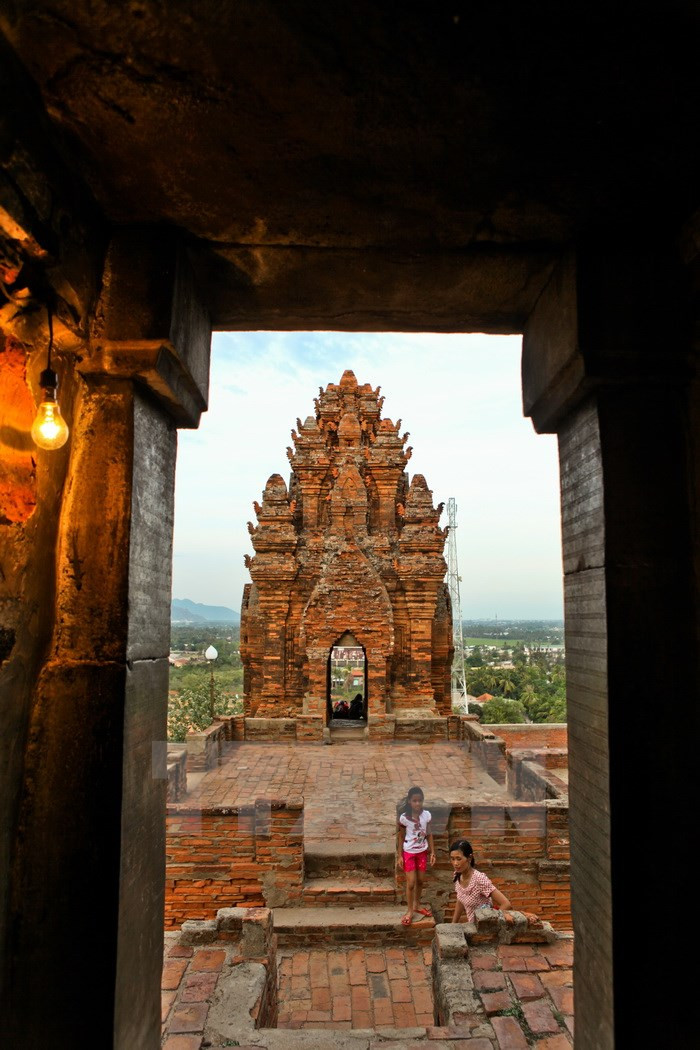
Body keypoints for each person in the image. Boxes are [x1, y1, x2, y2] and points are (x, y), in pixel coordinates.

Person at [449, 839, 538, 923]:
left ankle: (524, 915)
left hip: (485, 928)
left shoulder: (479, 879)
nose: (455, 863)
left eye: (458, 859)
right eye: (452, 859)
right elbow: (460, 899)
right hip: (473, 926)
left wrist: (490, 921)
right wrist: (453, 924)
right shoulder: (457, 875)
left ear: (469, 858)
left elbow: (506, 904)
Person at [397, 786, 436, 926]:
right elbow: (401, 837)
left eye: (420, 800)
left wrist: (432, 852)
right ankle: (409, 910)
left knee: (420, 881)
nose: (417, 804)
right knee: (411, 883)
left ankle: (417, 905)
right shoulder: (404, 818)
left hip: (422, 852)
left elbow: (429, 834)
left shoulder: (426, 815)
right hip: (409, 852)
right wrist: (399, 856)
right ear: (409, 802)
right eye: (414, 801)